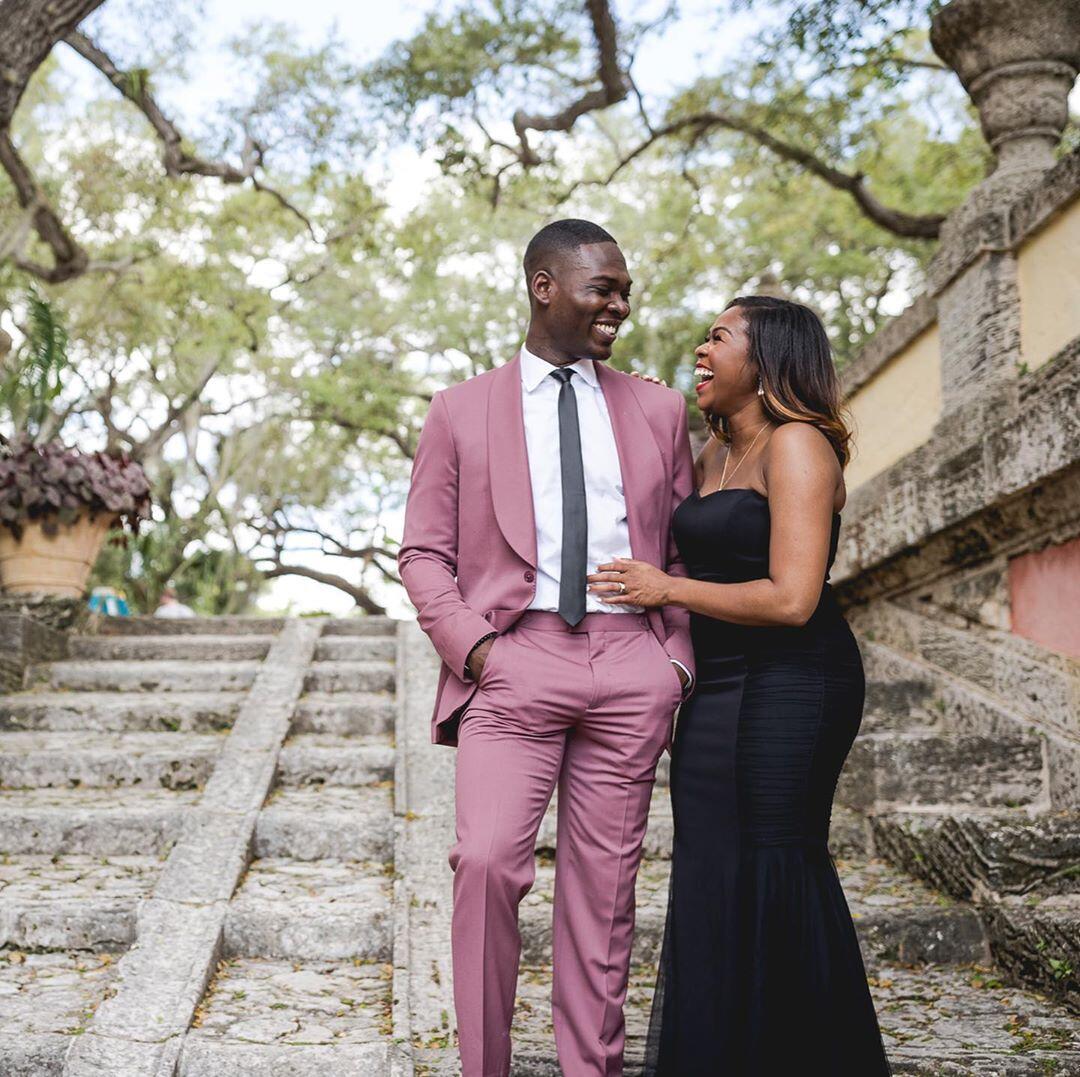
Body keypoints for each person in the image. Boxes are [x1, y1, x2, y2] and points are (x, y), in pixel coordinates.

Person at [398, 219, 695, 1077]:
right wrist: (478, 652)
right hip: (513, 659)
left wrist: (670, 662)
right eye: (603, 287)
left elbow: (680, 551)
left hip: (629, 664)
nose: (619, 304)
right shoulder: (460, 410)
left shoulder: (659, 407)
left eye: (625, 290)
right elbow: (423, 551)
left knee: (604, 899)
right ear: (544, 286)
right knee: (487, 863)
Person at [588, 296, 891, 1075]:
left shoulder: (798, 446)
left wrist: (666, 591)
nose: (701, 349)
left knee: (774, 862)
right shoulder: (715, 452)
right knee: (710, 869)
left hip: (795, 681)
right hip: (717, 686)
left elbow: (794, 598)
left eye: (719, 338)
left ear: (765, 361)